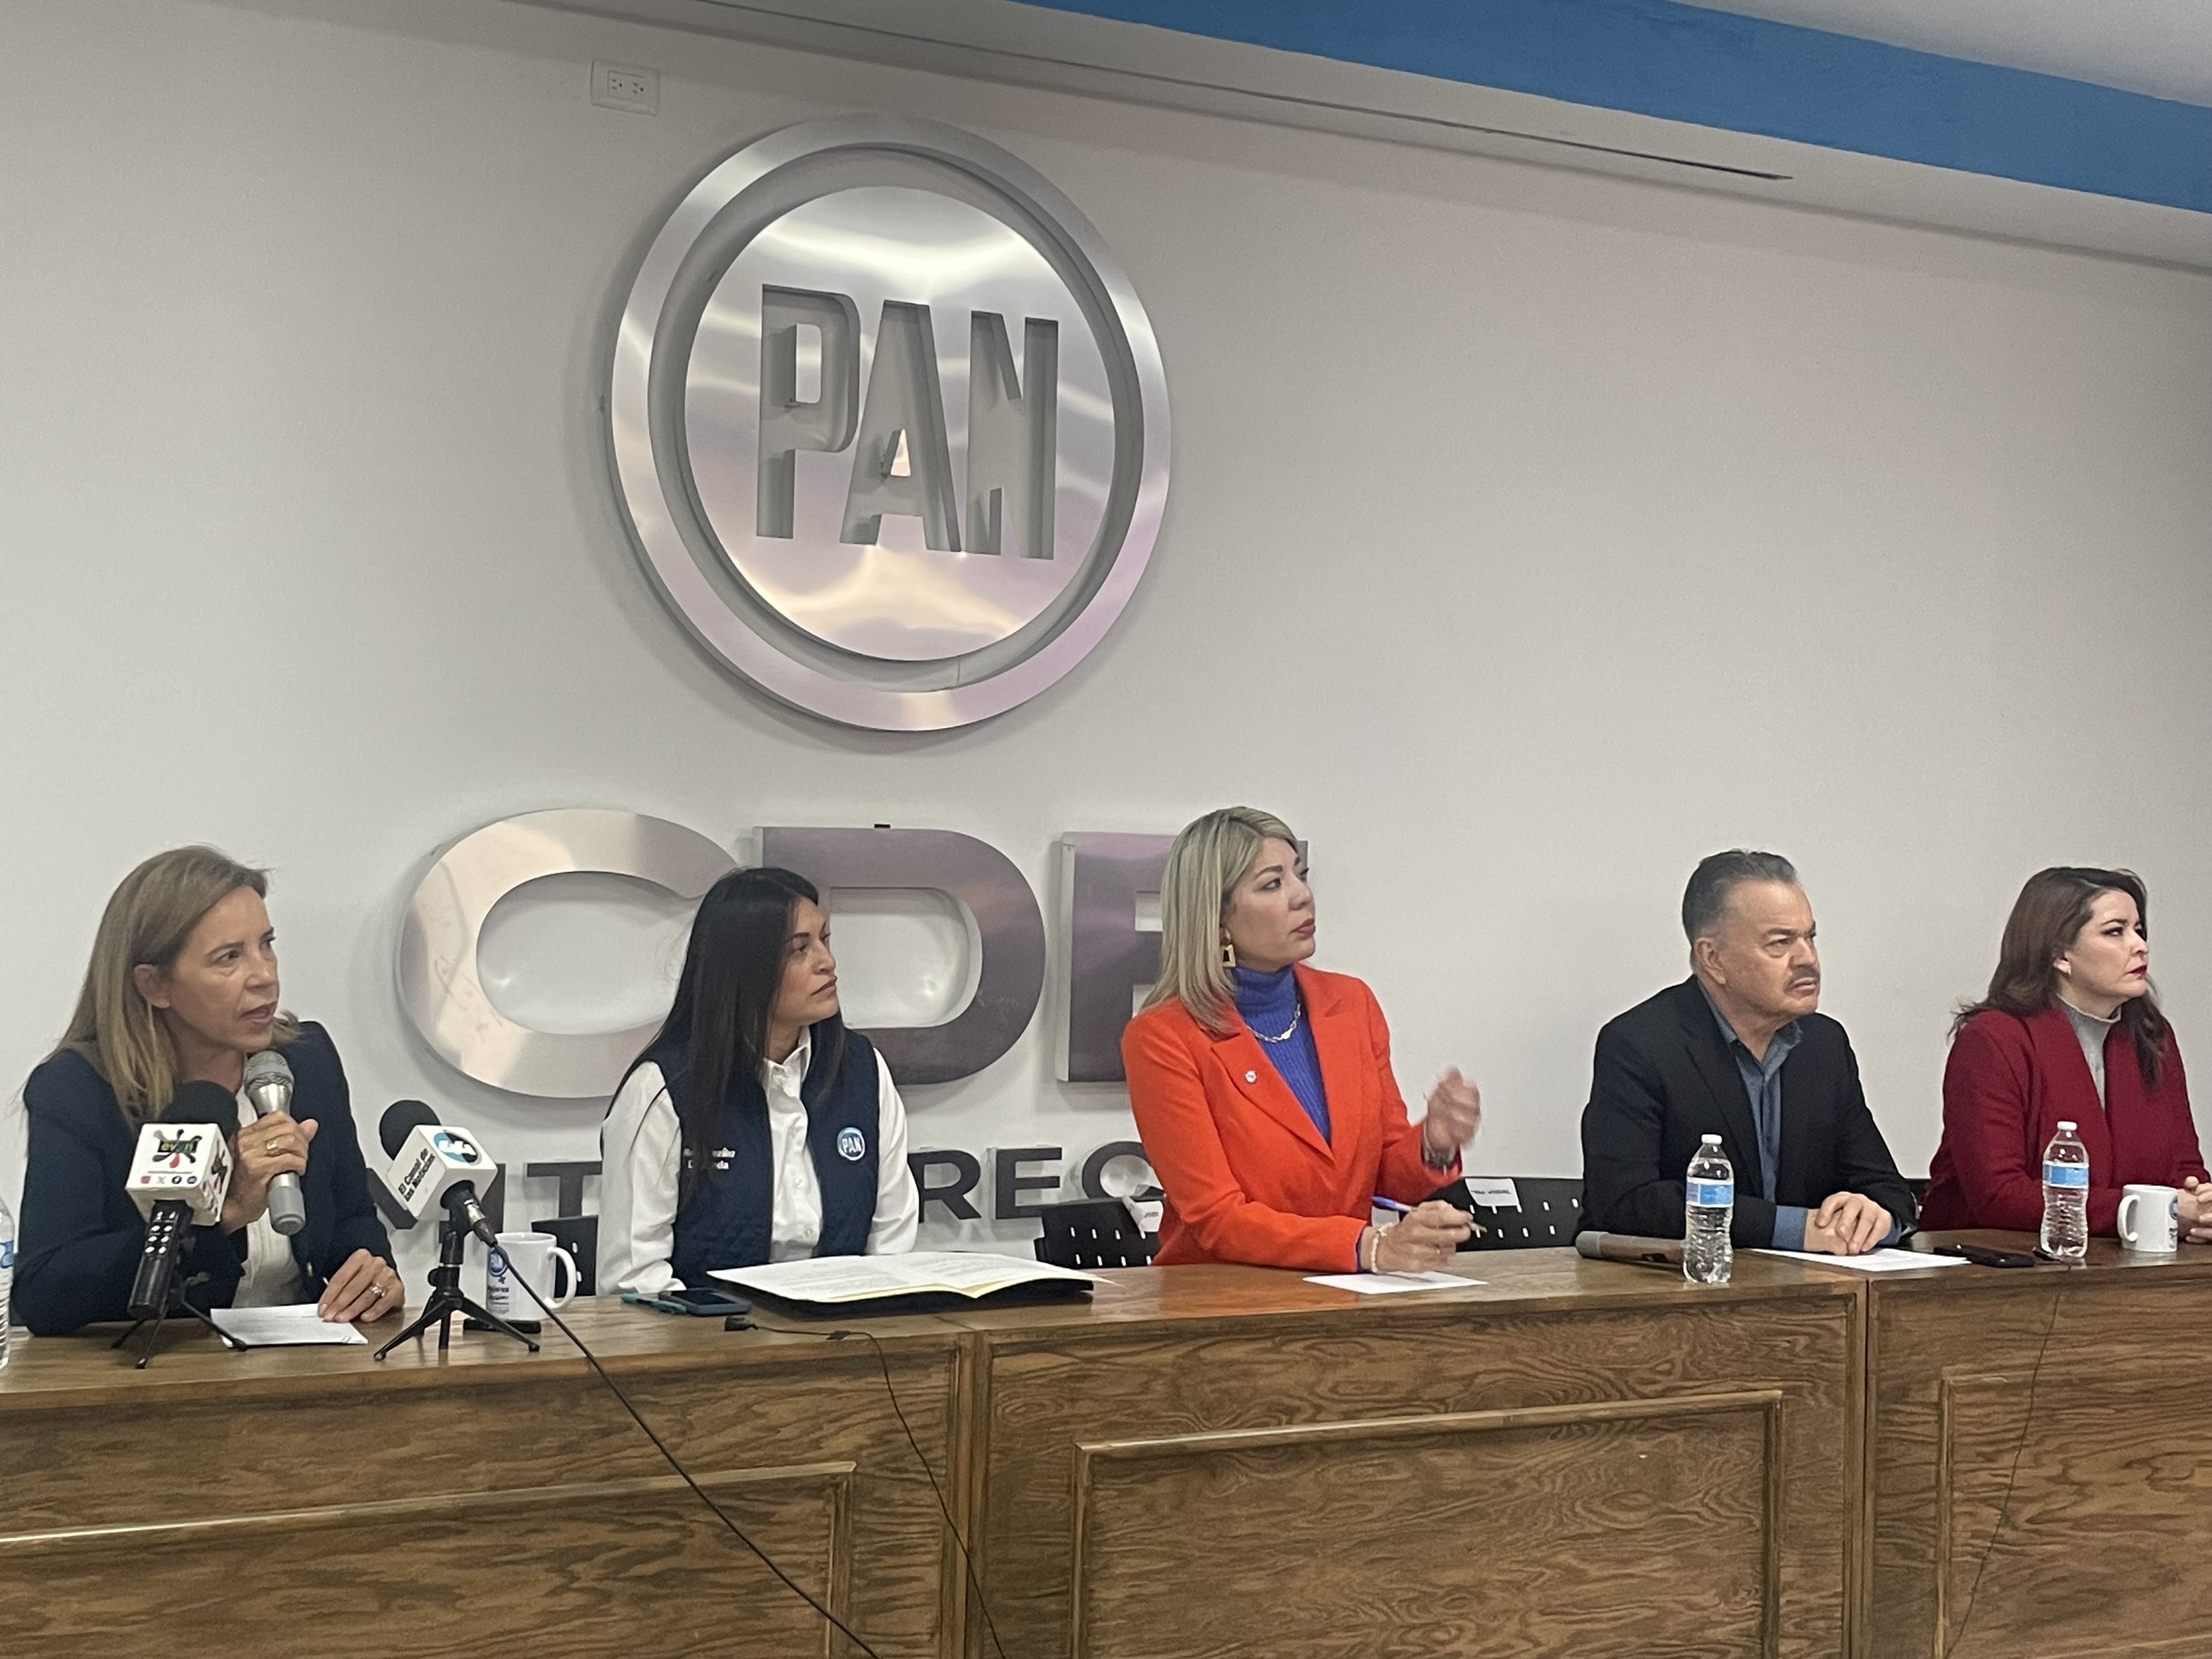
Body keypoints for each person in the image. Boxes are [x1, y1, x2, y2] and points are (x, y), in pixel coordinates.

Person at [16, 848, 400, 1336]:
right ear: (155, 985)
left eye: (267, 944)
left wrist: (371, 1274)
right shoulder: (79, 1090)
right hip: (159, 1367)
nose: (265, 976)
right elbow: (46, 1291)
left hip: (304, 1362)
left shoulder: (308, 1061)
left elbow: (351, 1219)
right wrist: (217, 1217)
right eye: (229, 958)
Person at [1121, 807, 1479, 1273]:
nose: (1303, 895)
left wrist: (1433, 1142)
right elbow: (1216, 1217)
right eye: (1273, 884)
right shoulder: (1163, 1037)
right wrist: (1367, 1247)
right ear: (1218, 918)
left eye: (1300, 875)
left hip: (1345, 1293)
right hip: (1220, 1295)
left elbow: (1385, 1176)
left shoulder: (1351, 1004)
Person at [600, 867, 918, 1295]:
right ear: (745, 967)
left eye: (824, 940)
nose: (827, 962)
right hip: (706, 1333)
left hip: (848, 1329)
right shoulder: (662, 1088)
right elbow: (634, 1281)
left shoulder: (863, 1069)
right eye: (799, 949)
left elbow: (892, 1249)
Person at [1579, 850, 1915, 1255]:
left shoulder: (1824, 1045)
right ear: (1713, 958)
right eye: (1780, 943)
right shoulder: (1641, 1044)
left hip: (1810, 1286)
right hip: (1682, 1286)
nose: (1807, 959)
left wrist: (1872, 1216)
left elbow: (1888, 1190)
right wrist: (1793, 1229)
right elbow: (1625, 1202)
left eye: (1810, 937)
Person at [1921, 867, 2212, 1238]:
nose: (2140, 946)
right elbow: (1998, 1195)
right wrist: (2148, 1210)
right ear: (2060, 954)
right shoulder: (1994, 1038)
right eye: (2115, 932)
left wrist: (2201, 1211)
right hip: (1999, 1261)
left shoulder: (2152, 1034)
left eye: (2139, 930)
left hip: (2128, 1261)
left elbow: (2185, 1170)